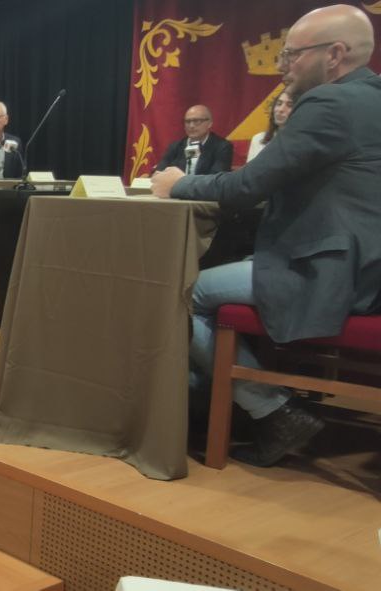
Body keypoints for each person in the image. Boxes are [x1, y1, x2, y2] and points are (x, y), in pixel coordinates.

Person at [150, 4, 381, 467]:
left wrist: (177, 185)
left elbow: (245, 186)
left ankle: (273, 409)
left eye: (292, 56)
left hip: (330, 271)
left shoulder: (330, 103)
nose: (283, 70)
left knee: (181, 293)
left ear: (334, 54)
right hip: (367, 265)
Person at [153, 105, 234, 175]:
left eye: (197, 121)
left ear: (209, 123)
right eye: (188, 122)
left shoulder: (222, 147)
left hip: (205, 192)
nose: (191, 126)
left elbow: (217, 178)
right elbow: (159, 172)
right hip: (175, 190)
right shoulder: (175, 146)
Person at [246, 91, 295, 163]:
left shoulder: (304, 142)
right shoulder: (258, 139)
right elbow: (249, 172)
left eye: (289, 105)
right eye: (279, 104)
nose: (281, 109)